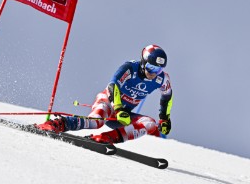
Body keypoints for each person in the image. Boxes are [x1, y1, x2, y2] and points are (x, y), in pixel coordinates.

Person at [36, 44, 173, 144]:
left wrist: (164, 119)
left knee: (150, 124)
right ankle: (58, 124)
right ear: (143, 63)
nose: (153, 73)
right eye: (151, 67)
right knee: (96, 122)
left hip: (123, 115)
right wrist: (118, 108)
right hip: (108, 102)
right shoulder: (131, 68)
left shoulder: (162, 79)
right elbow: (113, 85)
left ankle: (108, 138)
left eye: (158, 69)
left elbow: (167, 96)